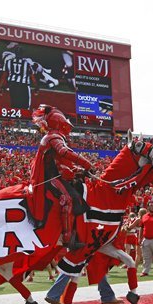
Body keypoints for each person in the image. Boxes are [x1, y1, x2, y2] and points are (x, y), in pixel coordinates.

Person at [27, 104, 94, 250]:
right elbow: (64, 153)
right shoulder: (53, 137)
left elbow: (63, 164)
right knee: (68, 200)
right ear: (60, 123)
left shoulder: (55, 136)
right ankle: (67, 238)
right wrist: (86, 163)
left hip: (54, 176)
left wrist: (79, 170)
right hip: (50, 179)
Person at [129, 200, 153, 276]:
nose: (152, 206)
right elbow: (141, 227)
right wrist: (140, 238)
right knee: (146, 256)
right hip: (146, 239)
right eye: (151, 205)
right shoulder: (144, 216)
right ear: (148, 207)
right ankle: (145, 271)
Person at [45, 274, 123, 304]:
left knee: (70, 266)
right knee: (98, 265)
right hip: (86, 243)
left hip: (74, 242)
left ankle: (53, 294)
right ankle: (107, 296)